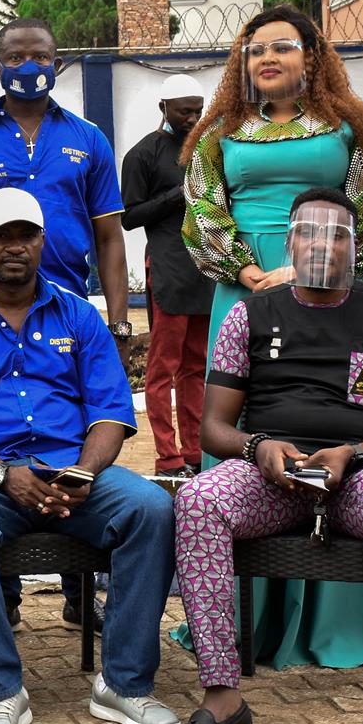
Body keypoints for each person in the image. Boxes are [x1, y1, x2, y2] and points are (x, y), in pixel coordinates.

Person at [162, 189, 363, 724]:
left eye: (337, 235)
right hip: (272, 479)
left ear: (356, 248)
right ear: (289, 243)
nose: (322, 245)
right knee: (199, 499)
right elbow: (214, 428)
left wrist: (353, 452)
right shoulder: (249, 315)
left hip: (361, 477)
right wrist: (258, 448)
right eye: (309, 233)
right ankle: (223, 701)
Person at [0, 187, 179, 724]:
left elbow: (110, 412)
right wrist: (0, 474)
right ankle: (0, 691)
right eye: (2, 236)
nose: (15, 247)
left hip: (72, 472)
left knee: (152, 507)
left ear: (43, 241)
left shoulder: (79, 315)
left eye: (26, 235)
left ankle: (124, 684)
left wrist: (85, 472)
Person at [180, 4, 363, 670]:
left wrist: (312, 271)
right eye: (255, 50)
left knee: (328, 413)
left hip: (332, 299)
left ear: (313, 56)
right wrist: (250, 272)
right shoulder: (219, 131)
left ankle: (332, 617)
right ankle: (239, 617)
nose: (267, 58)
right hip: (242, 295)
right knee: (244, 426)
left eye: (283, 47)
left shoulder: (352, 127)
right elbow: (200, 209)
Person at [0, 17, 132, 629]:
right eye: (16, 57)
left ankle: (80, 593)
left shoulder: (89, 139)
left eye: (41, 56)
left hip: (70, 312)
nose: (29, 66)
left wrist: (118, 322)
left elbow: (110, 236)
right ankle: (2, 596)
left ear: (58, 62)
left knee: (67, 435)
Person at [122, 73, 213, 477]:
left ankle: (194, 451)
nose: (192, 118)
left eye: (198, 110)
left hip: (205, 268)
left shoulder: (208, 150)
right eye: (184, 111)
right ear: (163, 108)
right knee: (163, 367)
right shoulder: (143, 154)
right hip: (167, 267)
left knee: (197, 364)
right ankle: (167, 456)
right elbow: (130, 216)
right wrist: (178, 195)